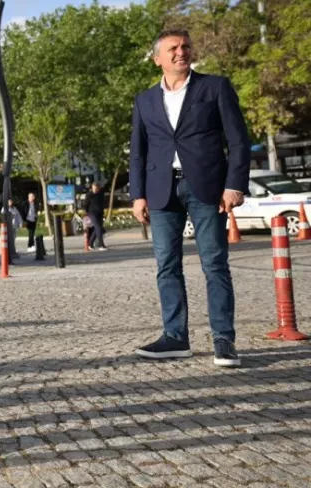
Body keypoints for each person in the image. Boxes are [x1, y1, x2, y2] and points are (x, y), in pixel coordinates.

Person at [130, 29, 250, 367]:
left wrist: (234, 185)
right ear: (158, 59)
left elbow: (238, 140)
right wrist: (137, 194)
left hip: (208, 188)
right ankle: (174, 337)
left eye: (185, 46)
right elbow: (138, 152)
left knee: (214, 263)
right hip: (161, 191)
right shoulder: (144, 100)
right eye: (172, 49)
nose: (181, 52)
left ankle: (224, 340)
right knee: (166, 265)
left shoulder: (215, 87)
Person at [84, 183, 108, 251]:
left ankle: (90, 244)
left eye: (97, 188)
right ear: (92, 188)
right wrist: (86, 212)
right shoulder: (89, 195)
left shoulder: (101, 193)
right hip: (92, 213)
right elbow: (85, 204)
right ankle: (101, 245)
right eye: (94, 188)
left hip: (100, 213)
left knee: (97, 228)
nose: (96, 190)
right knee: (98, 227)